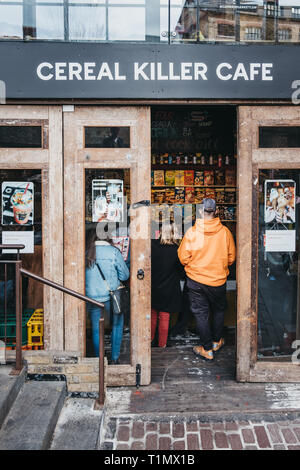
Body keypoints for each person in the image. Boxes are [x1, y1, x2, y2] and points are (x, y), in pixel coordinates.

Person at [178, 198, 236, 361]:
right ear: (216, 211)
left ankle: (207, 348)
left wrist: (196, 265)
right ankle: (217, 341)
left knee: (201, 314)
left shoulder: (192, 233)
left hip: (196, 280)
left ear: (200, 212)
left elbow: (183, 258)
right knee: (218, 310)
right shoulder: (225, 232)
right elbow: (232, 258)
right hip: (218, 280)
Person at [85, 228, 129, 364]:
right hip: (112, 296)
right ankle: (114, 358)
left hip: (92, 297)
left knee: (97, 329)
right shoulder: (114, 252)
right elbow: (125, 275)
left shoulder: (86, 252)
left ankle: (100, 361)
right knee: (117, 325)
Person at [151, 223, 183, 348]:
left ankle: (150, 340)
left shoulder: (152, 246)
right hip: (169, 288)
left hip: (153, 285)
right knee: (165, 316)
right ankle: (162, 344)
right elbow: (181, 271)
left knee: (153, 314)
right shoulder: (176, 249)